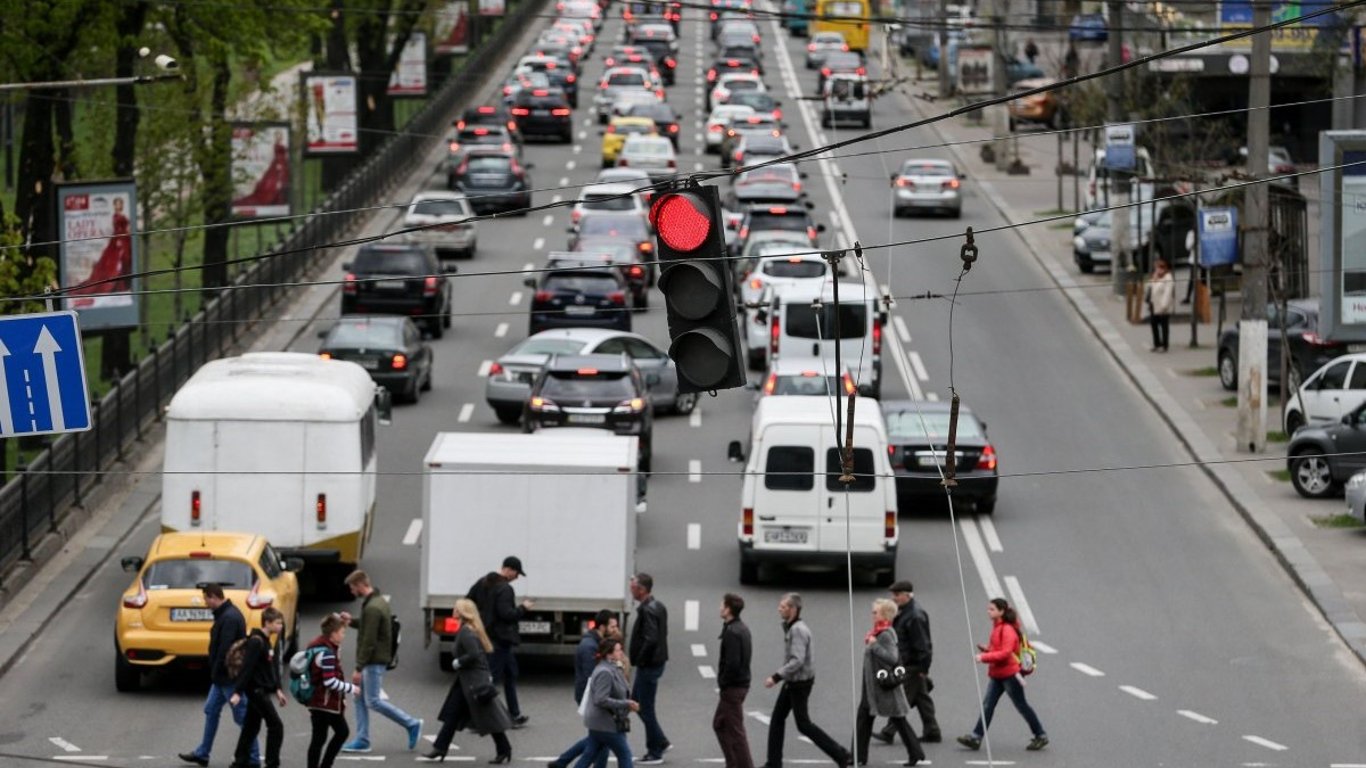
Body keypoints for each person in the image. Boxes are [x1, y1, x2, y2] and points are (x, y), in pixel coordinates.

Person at [760, 593, 852, 768]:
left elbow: (797, 660)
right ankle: (773, 763)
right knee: (778, 719)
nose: (779, 608)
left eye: (783, 606)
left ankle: (841, 754)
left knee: (803, 724)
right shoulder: (793, 627)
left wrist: (776, 677)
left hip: (798, 683)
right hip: (795, 681)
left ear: (793, 609)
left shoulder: (798, 630)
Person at [340, 570, 424, 753]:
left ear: (361, 585)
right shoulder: (377, 602)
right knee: (359, 698)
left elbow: (369, 640)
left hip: (373, 660)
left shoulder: (372, 607)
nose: (352, 592)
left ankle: (411, 723)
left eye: (353, 588)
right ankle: (362, 739)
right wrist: (351, 621)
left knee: (372, 701)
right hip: (376, 659)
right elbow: (369, 624)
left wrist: (358, 667)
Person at [423, 599, 514, 763]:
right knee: (453, 715)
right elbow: (482, 653)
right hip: (467, 680)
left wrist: (459, 662)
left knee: (488, 715)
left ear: (463, 612)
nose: (453, 611)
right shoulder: (471, 629)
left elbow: (475, 654)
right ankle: (440, 748)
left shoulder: (466, 631)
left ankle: (504, 749)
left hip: (472, 682)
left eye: (456, 609)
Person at [179, 584, 261, 768]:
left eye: (206, 599)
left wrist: (215, 669)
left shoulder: (229, 618)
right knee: (211, 710)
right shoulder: (227, 615)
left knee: (242, 718)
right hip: (222, 678)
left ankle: (254, 758)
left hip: (228, 676)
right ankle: (203, 753)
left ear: (214, 596)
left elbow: (225, 648)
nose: (205, 603)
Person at [956, 598, 1048, 752]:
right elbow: (999, 650)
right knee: (988, 705)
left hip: (1011, 675)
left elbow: (1006, 653)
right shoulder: (998, 627)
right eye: (988, 609)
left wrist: (984, 657)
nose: (988, 611)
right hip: (998, 674)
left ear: (1001, 611)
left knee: (1021, 705)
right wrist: (987, 650)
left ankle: (1040, 734)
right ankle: (976, 737)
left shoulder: (1007, 629)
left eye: (992, 609)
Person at [854, 600, 924, 767]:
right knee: (864, 719)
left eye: (875, 612)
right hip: (873, 686)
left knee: (898, 720)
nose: (872, 615)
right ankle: (858, 756)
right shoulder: (877, 632)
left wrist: (874, 645)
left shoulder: (885, 634)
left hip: (883, 687)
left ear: (884, 615)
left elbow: (892, 657)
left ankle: (915, 753)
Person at [467, 556, 534, 727]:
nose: (517, 577)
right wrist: (522, 608)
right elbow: (506, 614)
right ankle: (477, 717)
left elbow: (468, 601)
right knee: (491, 679)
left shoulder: (482, 582)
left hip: (488, 636)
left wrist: (479, 619)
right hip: (501, 639)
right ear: (508, 569)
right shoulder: (505, 589)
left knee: (510, 673)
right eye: (517, 573)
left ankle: (514, 714)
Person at [549, 610, 618, 768]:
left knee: (597, 738)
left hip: (595, 696)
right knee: (603, 737)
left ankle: (561, 762)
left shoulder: (596, 643)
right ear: (602, 627)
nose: (615, 630)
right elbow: (592, 677)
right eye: (613, 626)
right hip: (592, 697)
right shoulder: (589, 647)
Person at [874, 581, 940, 745]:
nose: (893, 598)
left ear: (907, 595)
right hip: (909, 663)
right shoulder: (905, 612)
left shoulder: (915, 616)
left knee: (901, 698)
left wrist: (923, 668)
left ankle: (889, 731)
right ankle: (932, 731)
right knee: (921, 697)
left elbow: (923, 645)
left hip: (912, 664)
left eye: (897, 595)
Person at [230, 607, 288, 768]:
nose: (281, 626)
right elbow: (247, 668)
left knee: (251, 726)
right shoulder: (256, 641)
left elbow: (269, 668)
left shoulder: (267, 640)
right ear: (267, 623)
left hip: (261, 689)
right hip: (256, 690)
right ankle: (272, 763)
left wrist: (277, 689)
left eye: (281, 623)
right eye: (277, 623)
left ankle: (240, 761)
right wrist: (237, 692)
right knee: (276, 726)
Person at [573, 637, 640, 768]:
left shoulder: (612, 668)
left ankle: (561, 762)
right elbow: (600, 699)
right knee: (624, 754)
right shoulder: (605, 672)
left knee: (589, 755)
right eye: (618, 650)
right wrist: (626, 703)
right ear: (609, 654)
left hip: (599, 724)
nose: (621, 653)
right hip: (606, 724)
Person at [305, 613, 359, 768]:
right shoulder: (327, 653)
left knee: (322, 737)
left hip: (318, 700)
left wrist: (342, 698)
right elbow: (329, 681)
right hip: (325, 702)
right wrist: (352, 688)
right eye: (342, 632)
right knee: (338, 733)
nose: (344, 636)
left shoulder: (316, 645)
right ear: (333, 634)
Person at [628, 573, 671, 764]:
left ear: (642, 589)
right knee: (636, 702)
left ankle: (655, 751)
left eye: (633, 585)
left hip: (649, 665)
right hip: (655, 663)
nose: (630, 588)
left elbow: (652, 638)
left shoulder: (648, 610)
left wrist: (640, 659)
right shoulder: (658, 606)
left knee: (645, 708)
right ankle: (660, 740)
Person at [714, 593, 754, 768]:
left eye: (722, 605)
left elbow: (732, 663)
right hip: (739, 685)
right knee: (720, 724)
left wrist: (723, 682)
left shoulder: (732, 632)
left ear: (728, 609)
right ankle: (733, 763)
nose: (720, 607)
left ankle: (743, 765)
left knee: (736, 731)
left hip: (733, 688)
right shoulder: (741, 628)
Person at [1145, 258, 1175, 352]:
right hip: (1154, 305)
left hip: (1163, 307)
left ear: (1167, 268)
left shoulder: (1168, 278)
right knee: (1154, 325)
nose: (1159, 269)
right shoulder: (1157, 277)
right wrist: (1154, 279)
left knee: (1164, 326)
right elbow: (1148, 288)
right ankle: (1156, 344)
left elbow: (1167, 293)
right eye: (1158, 267)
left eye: (1162, 267)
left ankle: (1164, 345)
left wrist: (1164, 306)